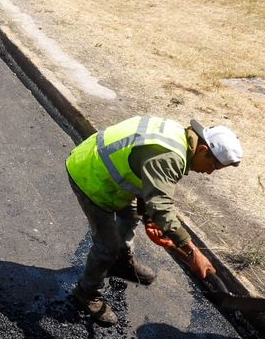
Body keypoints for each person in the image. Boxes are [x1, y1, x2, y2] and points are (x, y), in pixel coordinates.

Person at [65, 116, 243, 326]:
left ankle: (120, 263)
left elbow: (146, 174)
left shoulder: (179, 137)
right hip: (91, 177)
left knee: (131, 216)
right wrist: (192, 251)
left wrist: (149, 218)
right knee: (107, 246)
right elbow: (161, 206)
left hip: (106, 168)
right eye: (213, 165)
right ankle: (87, 292)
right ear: (203, 150)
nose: (209, 172)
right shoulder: (169, 157)